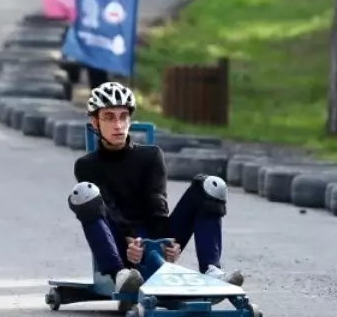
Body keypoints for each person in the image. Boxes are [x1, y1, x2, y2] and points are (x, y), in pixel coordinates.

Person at [68, 82, 244, 295]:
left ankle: (212, 270)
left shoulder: (151, 156)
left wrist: (166, 243)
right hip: (119, 241)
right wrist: (129, 241)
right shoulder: (87, 165)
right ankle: (119, 275)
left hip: (154, 234)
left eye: (123, 116)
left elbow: (157, 203)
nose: (118, 125)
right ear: (95, 122)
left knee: (210, 185)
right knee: (85, 193)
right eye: (109, 117)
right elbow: (110, 209)